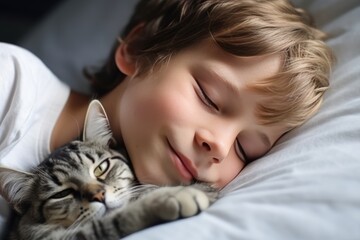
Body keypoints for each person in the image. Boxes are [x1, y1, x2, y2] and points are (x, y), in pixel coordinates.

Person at [0, 0, 333, 192]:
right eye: (209, 98)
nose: (219, 145)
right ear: (138, 50)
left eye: (246, 151)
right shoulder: (13, 84)